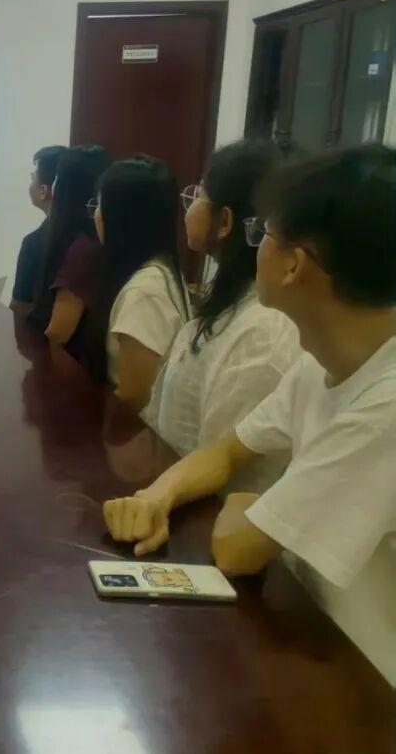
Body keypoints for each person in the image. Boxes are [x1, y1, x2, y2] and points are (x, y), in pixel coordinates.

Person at [103, 144, 396, 683]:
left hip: (357, 678)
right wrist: (155, 497)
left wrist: (253, 504)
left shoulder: (386, 403)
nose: (253, 246)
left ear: (293, 265)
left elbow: (238, 548)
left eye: (264, 234)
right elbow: (226, 450)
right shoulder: (321, 362)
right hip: (299, 628)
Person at [144, 141, 300, 492]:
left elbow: (223, 470)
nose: (188, 207)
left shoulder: (263, 332)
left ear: (225, 221)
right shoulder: (228, 304)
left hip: (197, 509)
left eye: (199, 195)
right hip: (167, 490)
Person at [89, 156, 191, 409]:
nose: (96, 215)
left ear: (122, 220)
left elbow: (135, 395)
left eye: (101, 205)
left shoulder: (144, 293)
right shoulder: (160, 271)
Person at [31, 145, 112, 361]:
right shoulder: (93, 240)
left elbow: (58, 334)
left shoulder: (84, 250)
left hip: (74, 371)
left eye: (57, 179)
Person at [10, 145, 66, 317]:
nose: (29, 184)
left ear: (44, 191)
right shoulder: (91, 234)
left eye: (32, 178)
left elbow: (20, 307)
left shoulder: (34, 243)